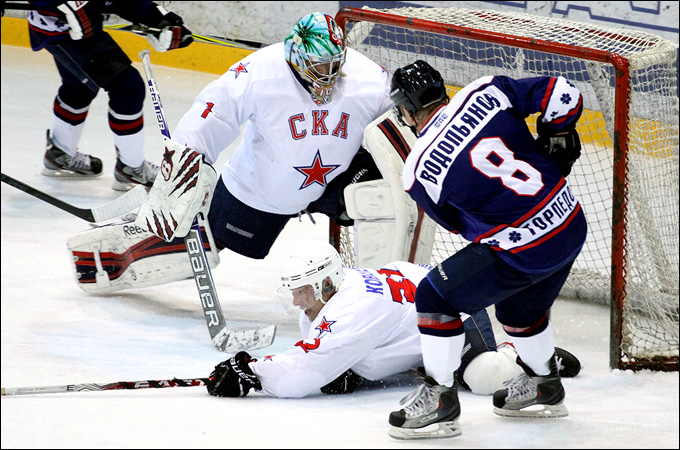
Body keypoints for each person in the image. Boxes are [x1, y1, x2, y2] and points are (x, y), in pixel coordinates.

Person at [66, 12, 391, 294]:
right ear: (295, 56)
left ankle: (377, 292)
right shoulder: (258, 72)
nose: (329, 76)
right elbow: (212, 115)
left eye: (335, 65)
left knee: (377, 195)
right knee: (206, 241)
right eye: (319, 67)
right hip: (262, 188)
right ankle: (123, 248)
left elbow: (400, 124)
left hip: (336, 177)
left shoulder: (366, 78)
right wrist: (183, 169)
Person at [384, 60, 586, 439]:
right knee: (517, 309)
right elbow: (564, 93)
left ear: (407, 112)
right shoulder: (485, 90)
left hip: (527, 250)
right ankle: (546, 385)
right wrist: (557, 134)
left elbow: (459, 226)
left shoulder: (418, 169)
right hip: (571, 224)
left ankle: (440, 399)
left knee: (433, 295)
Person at [204, 242, 580, 399]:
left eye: (301, 289)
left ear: (326, 283)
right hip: (421, 320)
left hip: (455, 314)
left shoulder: (352, 308)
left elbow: (304, 373)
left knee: (482, 380)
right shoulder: (337, 293)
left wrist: (253, 373)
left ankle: (524, 356)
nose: (295, 299)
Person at [27, 1, 192, 190]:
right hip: (60, 30)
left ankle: (60, 153)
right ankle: (131, 168)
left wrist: (158, 19)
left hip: (74, 30)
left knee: (79, 86)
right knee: (128, 87)